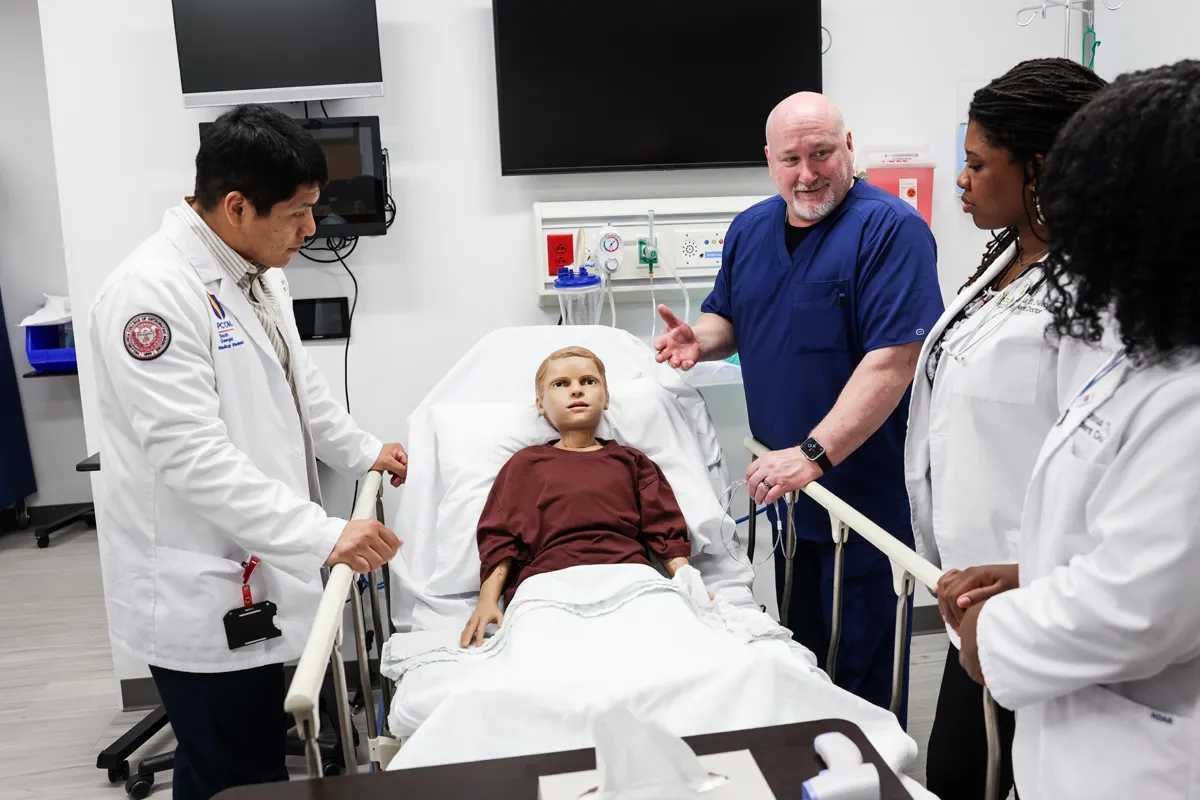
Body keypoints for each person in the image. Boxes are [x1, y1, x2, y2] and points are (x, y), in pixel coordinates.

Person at [89, 104, 408, 800]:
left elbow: (301, 388)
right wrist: (325, 535)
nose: (310, 228)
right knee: (239, 775)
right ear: (236, 206)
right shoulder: (152, 295)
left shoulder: (258, 272)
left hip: (260, 568)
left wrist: (362, 452)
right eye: (296, 212)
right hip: (200, 584)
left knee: (241, 765)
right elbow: (192, 459)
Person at [653, 92, 943, 720]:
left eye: (820, 154)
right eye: (791, 158)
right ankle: (806, 762)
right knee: (803, 649)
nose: (807, 173)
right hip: (787, 489)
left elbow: (895, 359)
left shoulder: (892, 231)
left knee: (859, 663)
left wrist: (814, 454)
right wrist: (696, 340)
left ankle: (868, 773)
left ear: (849, 148)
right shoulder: (752, 229)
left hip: (860, 492)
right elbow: (729, 316)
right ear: (769, 160)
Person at [954, 59, 1200, 798]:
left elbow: (1144, 606)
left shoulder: (1187, 394)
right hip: (1080, 736)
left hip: (1146, 760)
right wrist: (1037, 574)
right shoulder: (1153, 349)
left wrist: (992, 635)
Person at [901, 58, 1109, 799]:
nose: (961, 178)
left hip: (1039, 598)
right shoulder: (1008, 263)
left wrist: (1033, 575)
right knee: (960, 769)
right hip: (973, 597)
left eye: (976, 161)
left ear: (1040, 168)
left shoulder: (1097, 295)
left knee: (982, 773)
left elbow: (1109, 466)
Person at [460, 346, 698, 647]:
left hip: (630, 579)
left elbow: (663, 529)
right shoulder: (525, 465)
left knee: (665, 649)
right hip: (547, 585)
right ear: (541, 404)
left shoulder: (632, 462)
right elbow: (500, 537)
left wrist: (688, 581)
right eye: (561, 384)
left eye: (588, 381)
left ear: (607, 397)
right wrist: (487, 599)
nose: (576, 390)